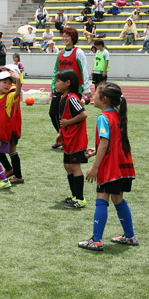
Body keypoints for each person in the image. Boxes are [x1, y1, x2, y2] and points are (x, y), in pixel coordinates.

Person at [79, 82, 137, 251]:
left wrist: (95, 167)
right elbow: (113, 143)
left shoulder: (103, 117)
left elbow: (105, 143)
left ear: (104, 99)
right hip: (124, 165)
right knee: (118, 198)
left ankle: (96, 240)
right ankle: (130, 236)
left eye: (95, 93)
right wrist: (96, 151)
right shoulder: (117, 115)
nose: (91, 96)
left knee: (101, 199)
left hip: (110, 168)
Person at [49, 27, 91, 149]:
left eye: (67, 36)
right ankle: (62, 136)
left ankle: (68, 139)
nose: (64, 38)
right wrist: (53, 85)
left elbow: (84, 71)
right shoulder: (60, 53)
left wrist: (87, 89)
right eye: (63, 36)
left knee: (70, 116)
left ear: (73, 38)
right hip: (60, 89)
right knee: (53, 113)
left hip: (73, 90)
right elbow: (56, 70)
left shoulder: (79, 52)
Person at [54, 69, 89, 209]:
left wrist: (68, 123)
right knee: (67, 166)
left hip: (76, 140)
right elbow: (63, 117)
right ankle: (74, 195)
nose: (55, 84)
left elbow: (83, 114)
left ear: (67, 83)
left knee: (74, 167)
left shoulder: (72, 98)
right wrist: (60, 133)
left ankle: (80, 199)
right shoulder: (63, 97)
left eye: (58, 81)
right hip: (68, 138)